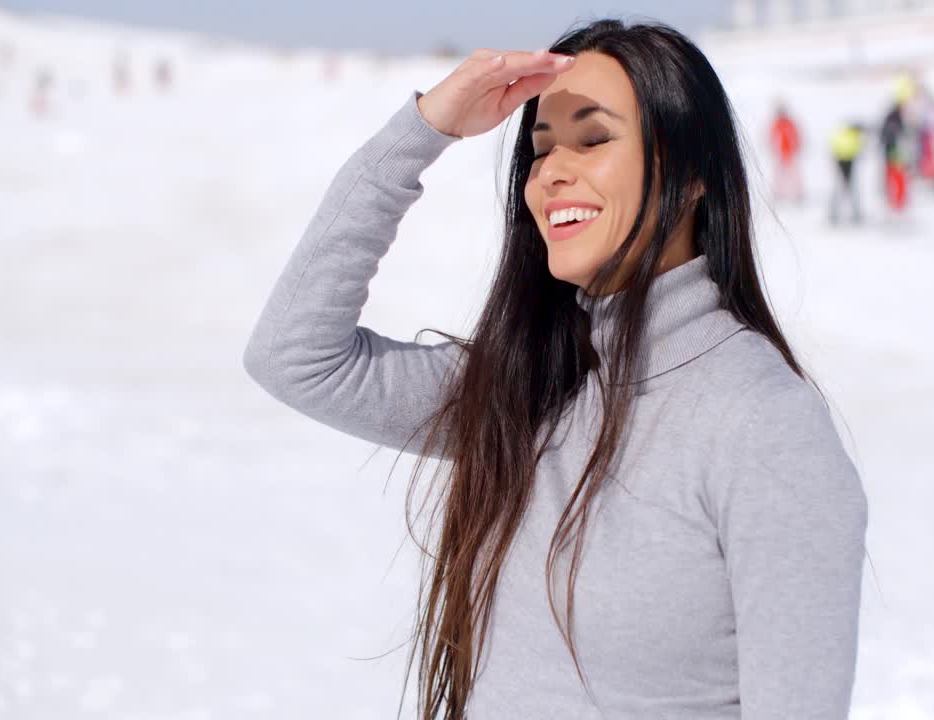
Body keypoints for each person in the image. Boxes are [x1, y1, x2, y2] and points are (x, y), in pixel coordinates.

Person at [244, 20, 867, 719]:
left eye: (594, 138)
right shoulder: (531, 385)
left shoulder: (763, 425)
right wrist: (425, 129)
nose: (552, 172)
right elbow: (294, 355)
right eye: (541, 150)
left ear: (692, 176)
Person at [829, 121, 865, 224]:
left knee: (843, 190)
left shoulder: (845, 134)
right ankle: (839, 214)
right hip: (845, 163)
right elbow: (854, 150)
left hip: (844, 162)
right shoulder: (853, 136)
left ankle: (836, 214)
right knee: (847, 190)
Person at [768, 101, 804, 203]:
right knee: (779, 174)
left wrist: (796, 147)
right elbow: (772, 137)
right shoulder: (777, 124)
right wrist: (773, 148)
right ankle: (778, 192)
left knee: (794, 173)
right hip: (780, 153)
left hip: (790, 152)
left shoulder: (789, 123)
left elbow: (796, 136)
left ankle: (797, 192)